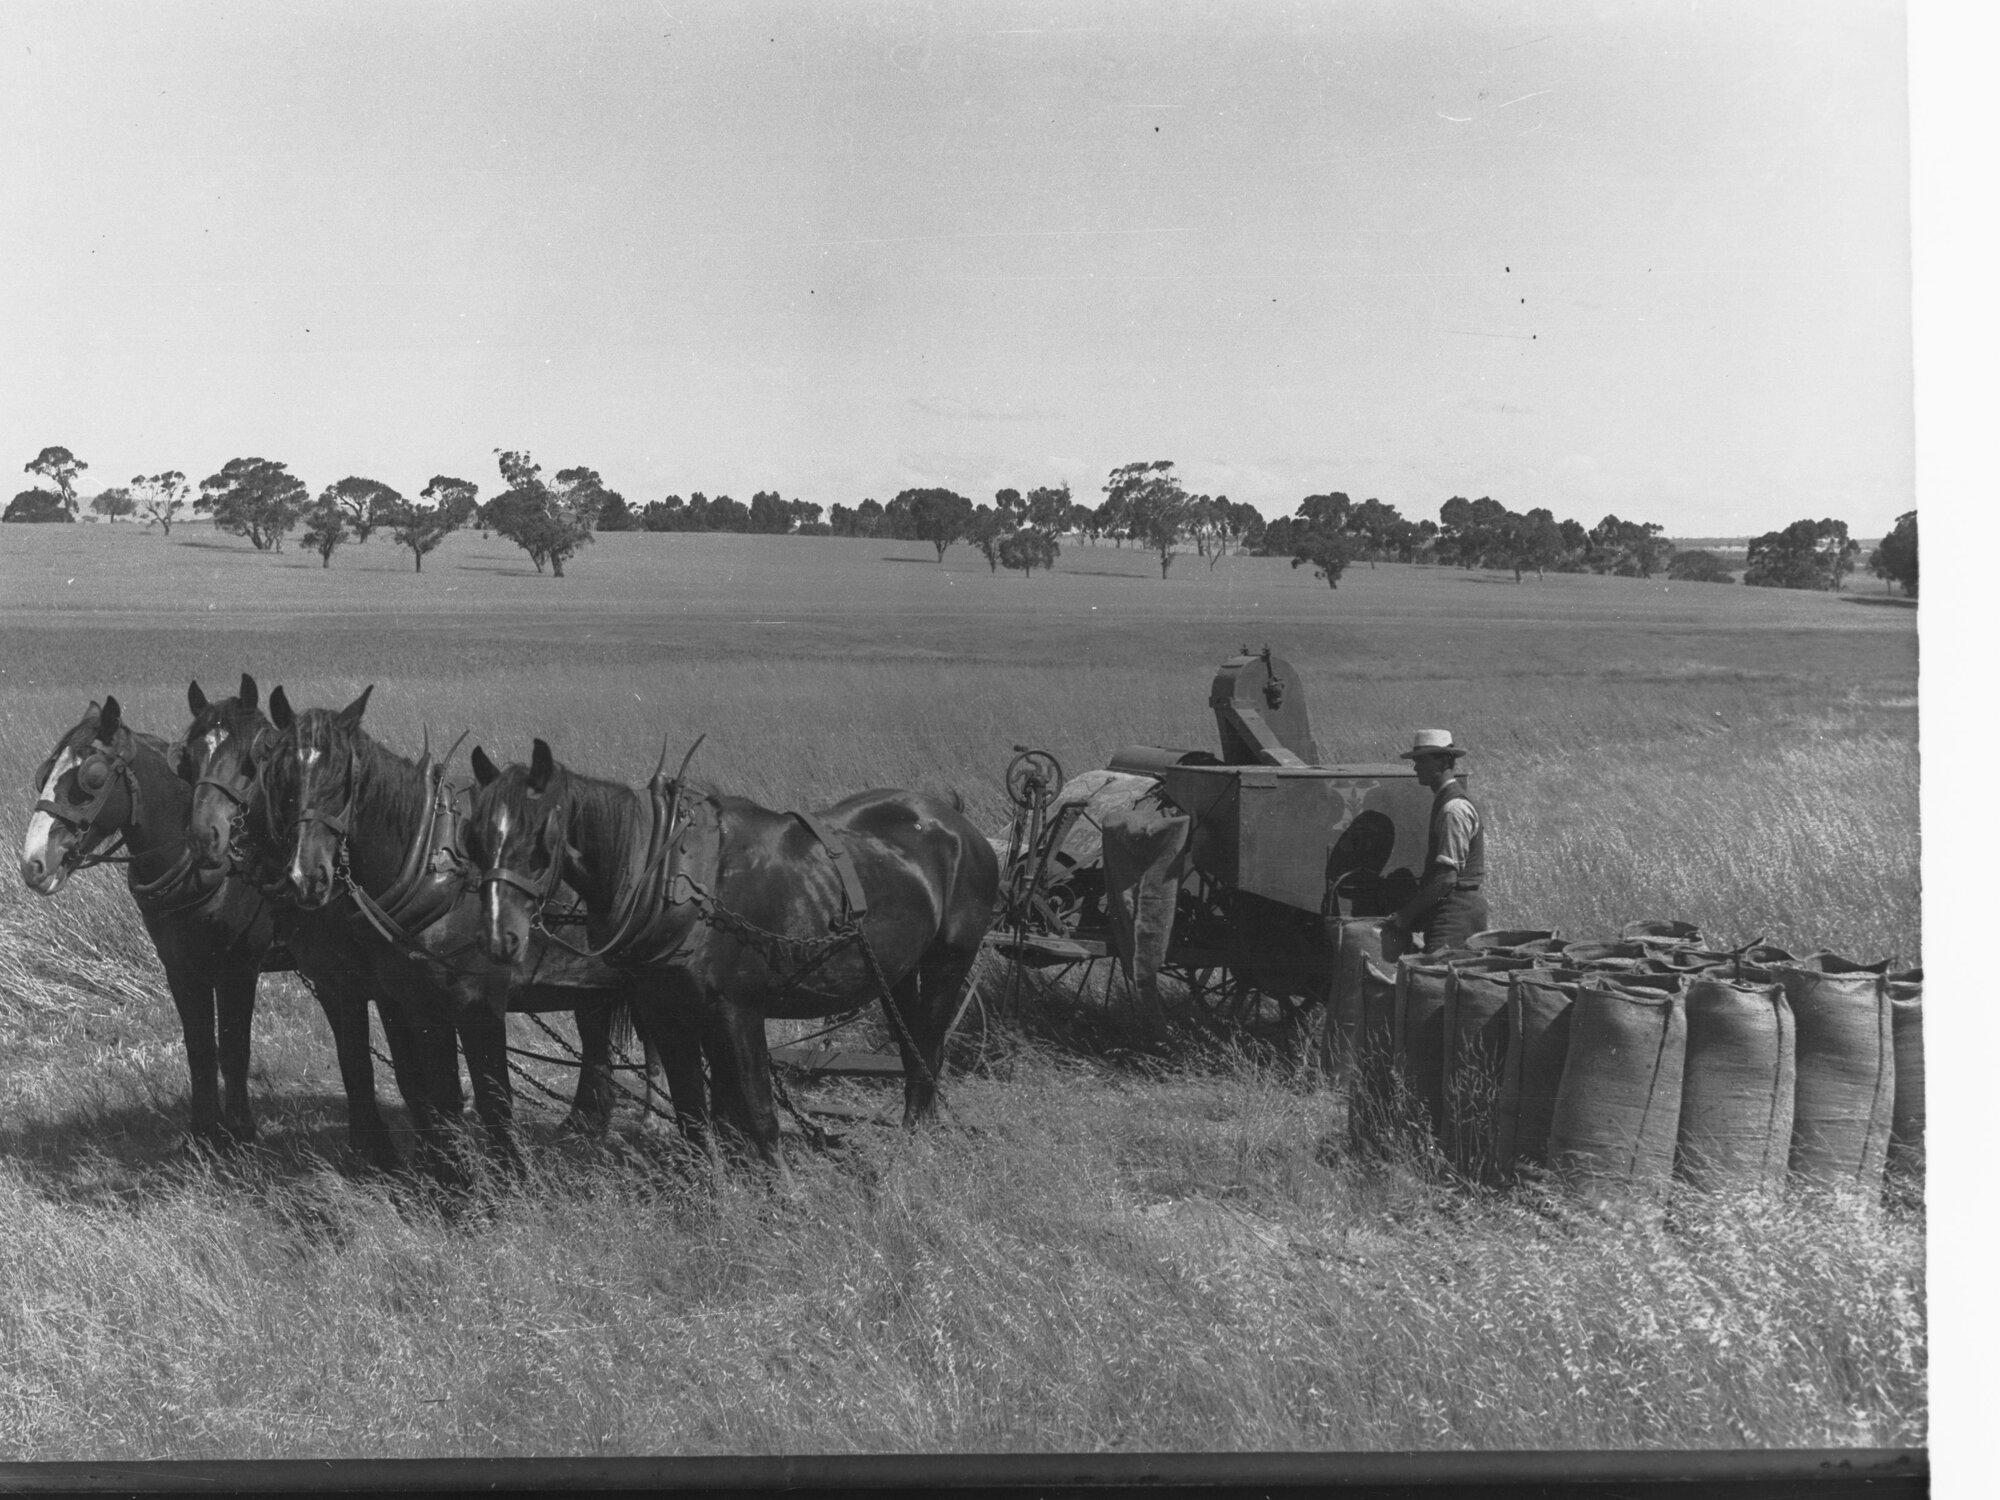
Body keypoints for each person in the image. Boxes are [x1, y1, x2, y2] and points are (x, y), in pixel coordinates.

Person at [1381, 729, 1487, 953]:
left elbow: (1447, 878)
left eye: (1422, 760)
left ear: (1444, 761)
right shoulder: (1446, 802)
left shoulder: (1453, 809)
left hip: (1455, 914)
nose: (1416, 767)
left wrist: (1406, 914)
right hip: (1451, 911)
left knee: (1437, 978)